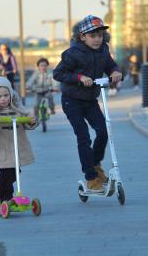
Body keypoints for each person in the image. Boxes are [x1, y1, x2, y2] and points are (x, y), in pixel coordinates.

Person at [53, 15, 122, 191]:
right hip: (71, 101)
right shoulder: (72, 53)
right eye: (93, 36)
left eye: (100, 35)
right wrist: (79, 77)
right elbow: (58, 74)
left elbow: (111, 66)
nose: (97, 39)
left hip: (90, 100)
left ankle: (95, 164)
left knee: (103, 131)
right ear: (82, 36)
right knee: (83, 136)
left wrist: (115, 73)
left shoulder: (104, 51)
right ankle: (91, 177)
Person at [0, 77, 37, 202]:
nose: (3, 99)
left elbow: (26, 122)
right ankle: (6, 197)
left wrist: (31, 121)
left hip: (16, 147)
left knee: (15, 172)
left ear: (11, 94)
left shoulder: (17, 109)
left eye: (6, 95)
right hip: (1, 148)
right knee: (7, 173)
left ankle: (2, 189)